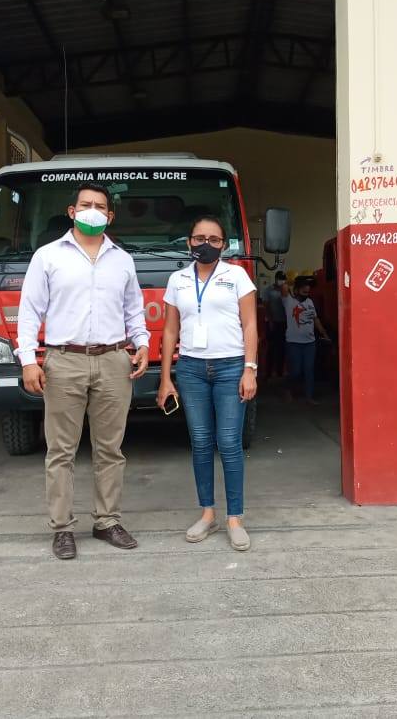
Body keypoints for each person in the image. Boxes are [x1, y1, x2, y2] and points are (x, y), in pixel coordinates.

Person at [17, 181, 150, 561]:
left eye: (100, 206)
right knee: (61, 450)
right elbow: (30, 311)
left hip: (113, 360)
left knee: (110, 449)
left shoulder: (122, 260)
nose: (93, 210)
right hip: (64, 360)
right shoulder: (47, 256)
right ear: (72, 212)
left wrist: (142, 343)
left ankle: (107, 521)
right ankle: (62, 527)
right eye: (86, 204)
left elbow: (133, 309)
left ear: (110, 215)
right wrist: (28, 360)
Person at [156, 216, 259, 551]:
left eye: (214, 240)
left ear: (223, 245)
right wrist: (166, 378)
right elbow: (170, 330)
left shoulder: (237, 276)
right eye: (199, 238)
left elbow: (250, 325)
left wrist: (250, 369)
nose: (206, 244)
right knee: (200, 443)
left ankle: (235, 518)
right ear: (189, 242)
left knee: (229, 443)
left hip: (231, 367)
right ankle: (208, 513)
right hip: (191, 370)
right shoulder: (178, 280)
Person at [283, 277, 330, 404]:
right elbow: (284, 287)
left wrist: (324, 333)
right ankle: (288, 389)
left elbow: (315, 319)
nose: (306, 294)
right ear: (297, 290)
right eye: (303, 291)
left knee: (309, 370)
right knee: (296, 370)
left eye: (308, 292)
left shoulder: (310, 302)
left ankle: (309, 396)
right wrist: (293, 285)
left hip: (310, 343)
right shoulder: (289, 301)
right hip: (293, 343)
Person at [261, 271, 288, 378]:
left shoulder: (286, 289)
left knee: (282, 348)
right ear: (276, 279)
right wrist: (271, 321)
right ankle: (268, 373)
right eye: (280, 279)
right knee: (271, 348)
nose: (281, 281)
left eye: (283, 279)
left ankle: (279, 372)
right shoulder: (268, 290)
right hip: (272, 322)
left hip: (283, 323)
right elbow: (266, 307)